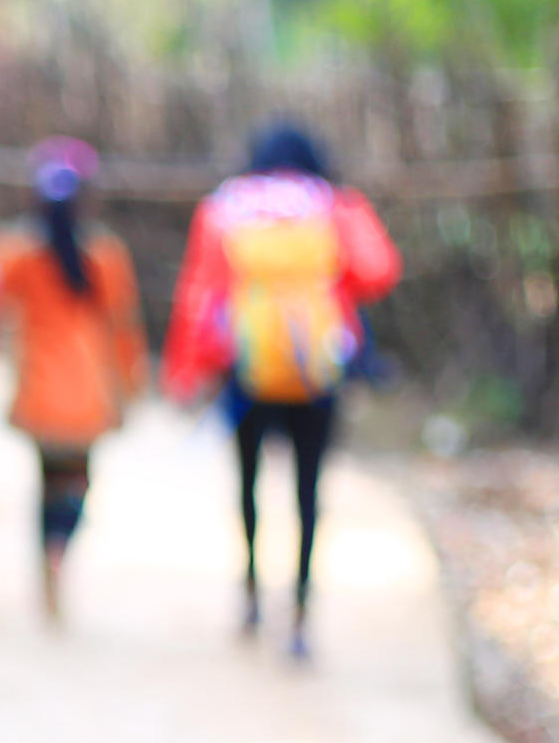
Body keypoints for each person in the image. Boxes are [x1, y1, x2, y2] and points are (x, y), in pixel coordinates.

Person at [161, 122, 401, 659]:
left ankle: (251, 591)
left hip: (246, 371)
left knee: (248, 483)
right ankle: (299, 614)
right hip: (319, 371)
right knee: (307, 492)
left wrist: (185, 371)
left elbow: (199, 293)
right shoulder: (335, 205)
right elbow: (379, 272)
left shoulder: (226, 207)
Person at [0, 139, 145, 619]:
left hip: (40, 389)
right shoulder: (105, 255)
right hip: (87, 391)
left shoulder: (18, 252)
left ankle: (47, 557)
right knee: (77, 482)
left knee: (46, 481)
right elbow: (123, 328)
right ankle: (59, 548)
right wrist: (129, 385)